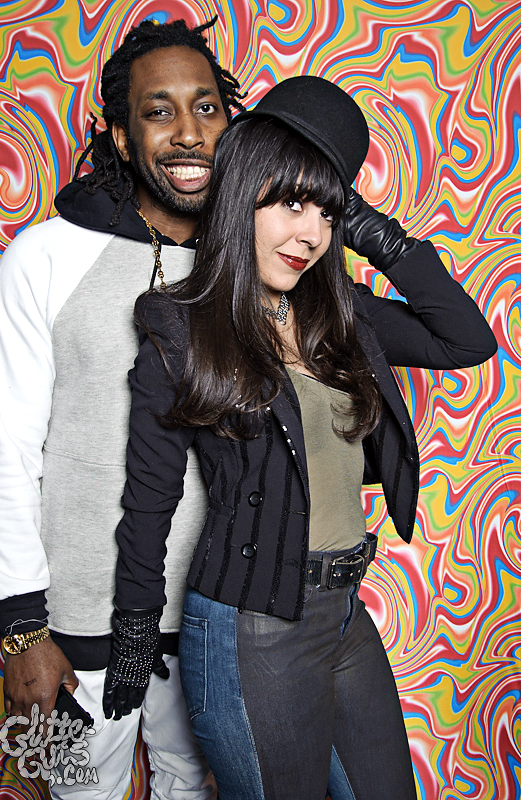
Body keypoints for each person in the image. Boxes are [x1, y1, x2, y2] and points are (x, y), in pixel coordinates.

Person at [0, 18, 424, 800]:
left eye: (208, 109)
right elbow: (4, 447)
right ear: (121, 137)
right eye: (158, 111)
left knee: (193, 786)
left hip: (218, 617)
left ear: (236, 130)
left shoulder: (262, 259)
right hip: (73, 621)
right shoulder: (44, 257)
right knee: (69, 787)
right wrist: (21, 628)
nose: (189, 132)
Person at [104, 77, 497, 800]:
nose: (311, 234)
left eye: (328, 211)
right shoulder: (181, 328)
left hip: (342, 612)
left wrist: (374, 231)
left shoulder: (340, 316)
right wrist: (134, 628)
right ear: (242, 193)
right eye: (290, 203)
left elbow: (467, 340)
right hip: (250, 627)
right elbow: (149, 498)